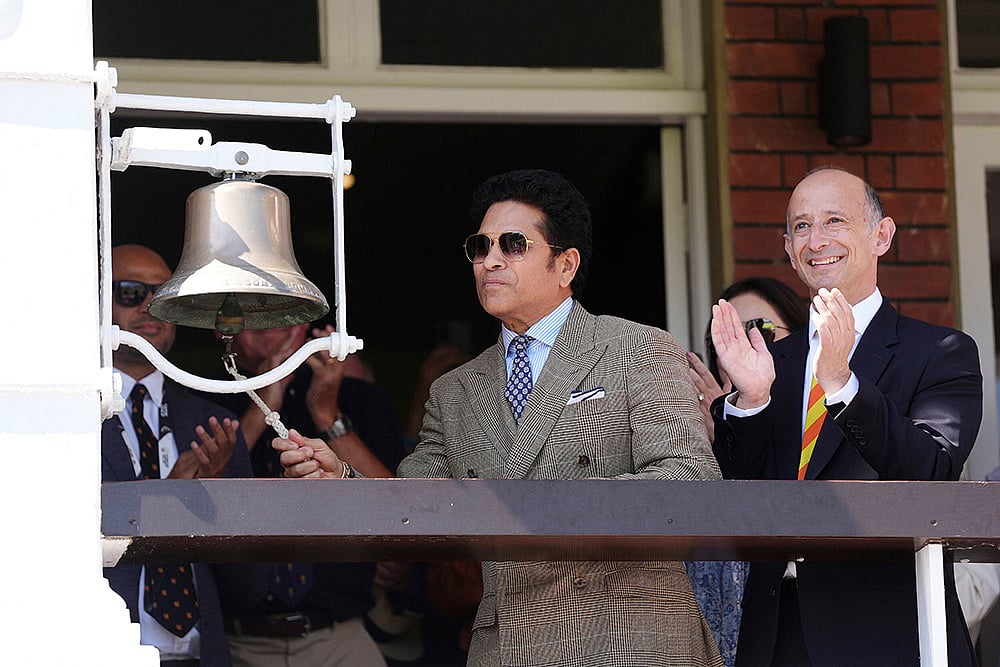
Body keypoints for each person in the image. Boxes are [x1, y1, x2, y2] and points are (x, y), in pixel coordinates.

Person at [274, 168, 725, 666]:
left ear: (566, 264)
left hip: (630, 638)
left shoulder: (637, 349)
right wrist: (337, 475)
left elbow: (689, 484)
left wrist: (540, 510)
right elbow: (411, 510)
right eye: (479, 247)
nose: (489, 261)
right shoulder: (454, 390)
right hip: (511, 645)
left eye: (512, 245)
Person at [709, 166, 984, 666]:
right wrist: (749, 401)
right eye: (801, 226)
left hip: (886, 632)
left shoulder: (940, 350)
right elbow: (738, 497)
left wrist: (844, 386)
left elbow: (931, 468)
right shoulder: (776, 362)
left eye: (835, 221)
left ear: (881, 235)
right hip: (777, 635)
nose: (817, 240)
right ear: (789, 250)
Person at [209, 323, 409, 667]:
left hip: (341, 637)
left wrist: (324, 410)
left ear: (305, 324)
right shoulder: (204, 395)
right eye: (251, 316)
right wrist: (264, 401)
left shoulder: (360, 398)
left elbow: (395, 505)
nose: (268, 326)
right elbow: (203, 494)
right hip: (238, 641)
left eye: (283, 314)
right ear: (222, 330)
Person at [102, 244, 252, 667]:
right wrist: (170, 497)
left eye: (163, 293)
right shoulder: (66, 423)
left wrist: (215, 493)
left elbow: (251, 583)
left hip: (202, 655)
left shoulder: (214, 422)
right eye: (130, 292)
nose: (150, 305)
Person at [685, 277, 808, 667]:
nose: (745, 346)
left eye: (762, 331)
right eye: (727, 336)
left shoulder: (822, 421)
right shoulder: (694, 426)